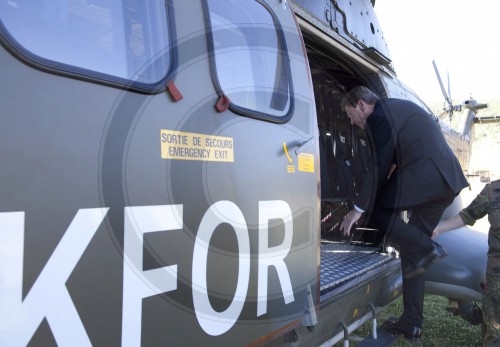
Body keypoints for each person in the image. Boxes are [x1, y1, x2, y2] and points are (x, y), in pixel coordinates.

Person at [339, 86, 468, 340]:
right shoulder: (394, 111)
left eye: (349, 113)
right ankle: (412, 322)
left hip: (428, 176)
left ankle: (429, 248)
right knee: (413, 254)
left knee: (374, 211)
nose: (350, 121)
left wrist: (357, 209)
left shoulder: (379, 116)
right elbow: (396, 156)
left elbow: (378, 165)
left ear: (362, 105)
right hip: (444, 181)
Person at [433, 179, 500, 347]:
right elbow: (468, 214)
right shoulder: (493, 190)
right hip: (496, 277)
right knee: (494, 333)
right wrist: (439, 228)